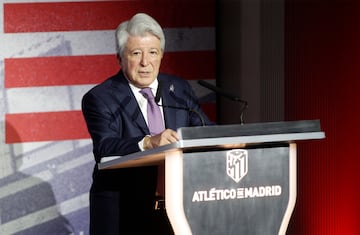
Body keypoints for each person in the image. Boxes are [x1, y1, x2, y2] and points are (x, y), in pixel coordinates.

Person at [81, 13, 212, 234]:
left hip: (177, 206)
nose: (145, 62)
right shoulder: (100, 97)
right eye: (136, 53)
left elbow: (203, 129)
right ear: (120, 57)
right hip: (125, 210)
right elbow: (104, 147)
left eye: (153, 52)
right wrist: (148, 142)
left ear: (161, 55)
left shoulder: (178, 89)